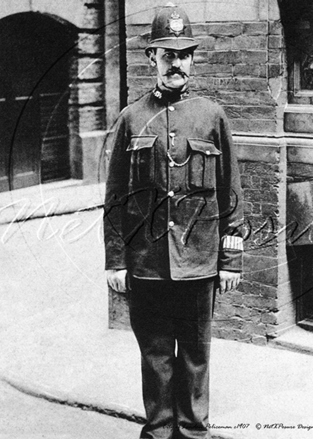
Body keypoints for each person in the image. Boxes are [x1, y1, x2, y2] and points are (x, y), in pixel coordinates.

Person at [104, 3, 243, 439]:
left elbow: (231, 192)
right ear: (152, 59)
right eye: (167, 54)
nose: (176, 63)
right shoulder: (130, 119)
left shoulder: (212, 116)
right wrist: (115, 262)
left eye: (184, 54)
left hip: (200, 261)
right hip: (146, 263)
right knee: (156, 354)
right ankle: (160, 430)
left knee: (196, 356)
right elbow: (115, 199)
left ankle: (194, 432)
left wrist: (232, 259)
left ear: (193, 59)